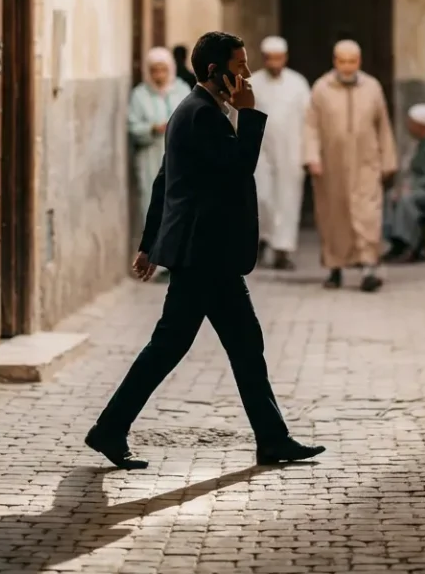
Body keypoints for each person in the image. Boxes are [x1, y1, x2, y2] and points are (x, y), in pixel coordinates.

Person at [85, 31, 326, 470]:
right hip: (203, 257)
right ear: (216, 72)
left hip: (207, 255)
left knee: (242, 344)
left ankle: (272, 438)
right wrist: (250, 115)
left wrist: (148, 245)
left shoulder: (199, 109)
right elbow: (236, 172)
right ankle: (110, 428)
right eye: (240, 66)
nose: (247, 74)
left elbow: (165, 181)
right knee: (172, 347)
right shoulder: (201, 115)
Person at [303, 40, 397, 292]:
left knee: (367, 213)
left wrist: (388, 160)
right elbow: (310, 126)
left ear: (359, 62)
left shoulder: (372, 88)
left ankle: (368, 267)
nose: (347, 67)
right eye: (342, 61)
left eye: (352, 61)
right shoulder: (321, 89)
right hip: (331, 166)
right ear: (335, 62)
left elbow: (383, 126)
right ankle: (335, 268)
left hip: (366, 163)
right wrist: (312, 156)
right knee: (334, 217)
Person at [249, 36, 312, 270]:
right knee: (261, 196)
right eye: (270, 59)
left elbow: (309, 118)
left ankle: (282, 250)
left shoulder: (298, 83)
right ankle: (263, 239)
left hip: (291, 150)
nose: (274, 63)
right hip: (261, 151)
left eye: (279, 58)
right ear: (264, 59)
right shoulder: (252, 82)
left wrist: (309, 152)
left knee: (288, 200)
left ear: (285, 58)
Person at [129, 47, 192, 238]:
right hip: (151, 158)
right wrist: (152, 129)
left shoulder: (182, 90)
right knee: (153, 205)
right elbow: (133, 126)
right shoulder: (140, 95)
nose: (159, 75)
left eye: (163, 70)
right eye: (154, 70)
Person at [383, 103, 425, 263]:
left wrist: (411, 188)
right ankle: (396, 243)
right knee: (391, 196)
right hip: (422, 189)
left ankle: (410, 245)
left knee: (408, 199)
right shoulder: (420, 142)